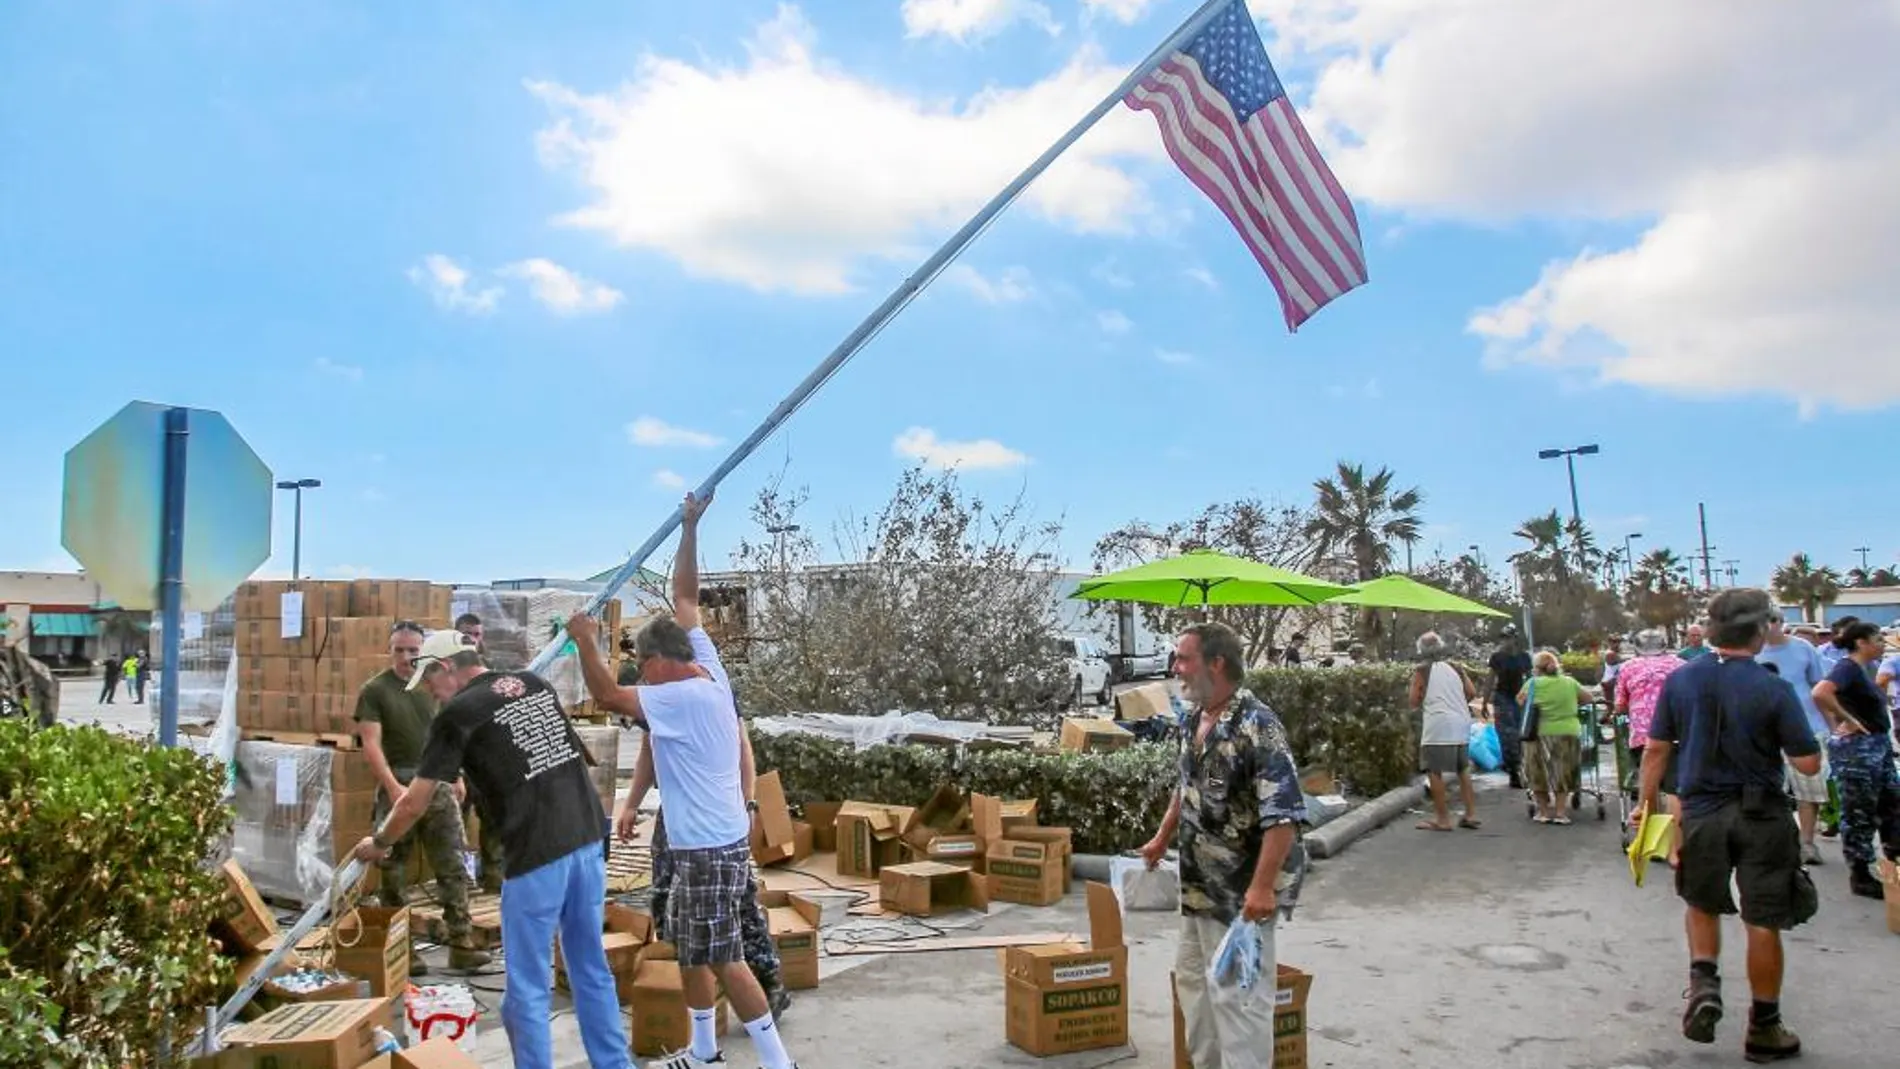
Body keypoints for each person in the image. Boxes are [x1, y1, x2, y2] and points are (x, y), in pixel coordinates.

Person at [567, 492, 800, 1069]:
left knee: (725, 956)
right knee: (693, 947)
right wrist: (691, 526)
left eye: (642, 666)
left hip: (705, 848)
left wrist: (583, 640)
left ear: (659, 662)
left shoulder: (682, 695)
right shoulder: (708, 666)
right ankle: (702, 1052)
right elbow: (686, 595)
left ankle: (778, 1063)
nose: (641, 676)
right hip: (699, 839)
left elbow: (603, 694)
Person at [355, 629, 631, 1069]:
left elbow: (413, 802)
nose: (428, 691)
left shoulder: (457, 715)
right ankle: (615, 1065)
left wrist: (380, 841)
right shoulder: (533, 684)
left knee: (527, 989)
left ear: (446, 668)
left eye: (428, 679)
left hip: (538, 853)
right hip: (587, 840)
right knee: (589, 968)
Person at [1639, 588, 1819, 1061]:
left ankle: (1704, 985)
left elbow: (1657, 749)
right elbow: (1807, 764)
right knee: (1762, 921)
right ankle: (1765, 1027)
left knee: (1701, 903)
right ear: (1760, 631)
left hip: (1700, 815)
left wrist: (1644, 803)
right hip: (1763, 816)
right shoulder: (1773, 687)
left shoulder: (1680, 682)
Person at [1139, 621, 1305, 1069]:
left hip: (1238, 895)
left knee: (1239, 1002)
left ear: (1216, 663)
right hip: (1197, 890)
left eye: (1184, 658)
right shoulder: (1193, 719)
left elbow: (1284, 814)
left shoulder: (1258, 726)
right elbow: (1186, 786)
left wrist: (1262, 888)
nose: (1176, 668)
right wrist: (1161, 838)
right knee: (1194, 988)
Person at [618, 696, 791, 1021]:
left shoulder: (711, 684)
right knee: (665, 901)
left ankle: (767, 983)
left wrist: (748, 802)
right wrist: (631, 803)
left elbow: (742, 746)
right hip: (675, 812)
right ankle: (688, 997)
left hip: (715, 811)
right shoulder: (655, 688)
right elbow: (649, 749)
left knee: (734, 899)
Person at [353, 621, 488, 973]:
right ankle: (403, 952)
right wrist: (393, 787)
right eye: (399, 649)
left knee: (453, 864)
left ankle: (461, 941)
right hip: (398, 780)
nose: (406, 657)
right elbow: (371, 744)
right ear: (389, 649)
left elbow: (451, 733)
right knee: (393, 871)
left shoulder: (434, 686)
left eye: (413, 650)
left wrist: (456, 774)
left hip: (437, 780)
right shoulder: (375, 690)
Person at [1810, 620, 1900, 900]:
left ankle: (1893, 861)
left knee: (1892, 803)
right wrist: (1845, 720)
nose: (1882, 644)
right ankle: (1860, 873)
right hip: (1858, 750)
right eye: (1877, 639)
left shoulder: (1865, 669)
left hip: (1877, 744)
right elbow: (1820, 692)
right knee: (1860, 809)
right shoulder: (1847, 667)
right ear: (1861, 642)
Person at [1756, 615, 1832, 866]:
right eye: (1765, 620)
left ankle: (1807, 843)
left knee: (1809, 789)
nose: (1771, 624)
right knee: (1766, 790)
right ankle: (1772, 842)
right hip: (1764, 732)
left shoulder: (1803, 648)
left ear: (1782, 621)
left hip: (1806, 728)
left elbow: (1819, 686)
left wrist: (1831, 726)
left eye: (1775, 619)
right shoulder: (1751, 651)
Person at [1616, 629, 1686, 862]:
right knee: (1674, 789)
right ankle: (1676, 848)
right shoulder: (1681, 665)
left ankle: (1652, 843)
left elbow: (1620, 704)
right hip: (1678, 732)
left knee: (1649, 786)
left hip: (1643, 734)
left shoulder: (1628, 667)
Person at [454, 611, 504, 893]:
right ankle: (459, 882)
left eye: (477, 635)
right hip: (459, 759)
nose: (472, 640)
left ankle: (494, 881)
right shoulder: (447, 671)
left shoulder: (491, 670)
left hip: (486, 762)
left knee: (494, 822)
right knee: (455, 824)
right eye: (467, 635)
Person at [1409, 632, 1480, 832]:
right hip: (1461, 723)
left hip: (1438, 725)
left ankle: (1443, 819)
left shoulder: (1422, 670)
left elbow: (1414, 700)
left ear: (1421, 650)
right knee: (1462, 769)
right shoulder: (1457, 667)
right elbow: (1472, 693)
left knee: (1434, 770)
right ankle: (1471, 814)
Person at [1518, 650, 1592, 825]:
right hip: (1567, 732)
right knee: (1562, 771)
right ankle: (1560, 813)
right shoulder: (1570, 682)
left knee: (1537, 772)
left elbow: (1520, 701)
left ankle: (1543, 812)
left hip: (1538, 733)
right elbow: (1588, 698)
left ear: (1537, 668)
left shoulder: (1532, 684)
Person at [1483, 626, 1534, 790]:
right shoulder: (1497, 657)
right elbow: (1490, 679)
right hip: (1502, 698)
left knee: (1522, 734)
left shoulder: (1524, 657)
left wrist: (1533, 699)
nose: (1505, 641)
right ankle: (1513, 770)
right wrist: (1485, 702)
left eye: (1508, 638)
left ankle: (1521, 768)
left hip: (1520, 698)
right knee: (1506, 736)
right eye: (1503, 638)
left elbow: (1530, 679)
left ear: (1515, 639)